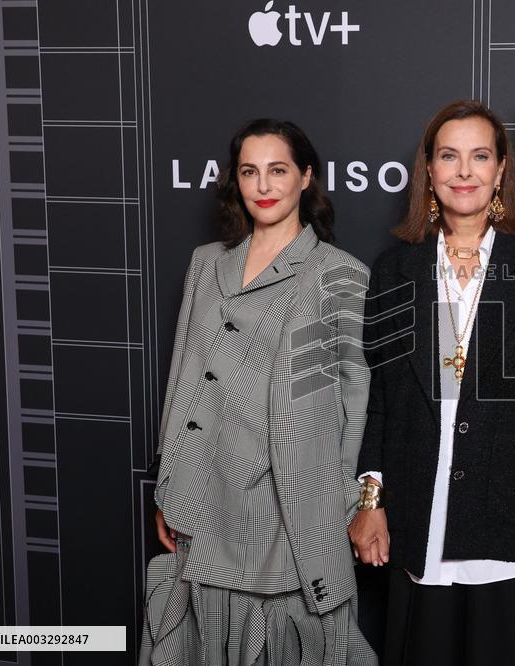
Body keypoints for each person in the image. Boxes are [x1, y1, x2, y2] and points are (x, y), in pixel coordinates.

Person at [348, 100, 515, 666]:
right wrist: (371, 499)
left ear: (501, 169)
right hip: (417, 519)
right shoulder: (393, 270)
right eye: (449, 156)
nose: (464, 171)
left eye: (480, 156)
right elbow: (379, 398)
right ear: (428, 171)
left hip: (507, 527)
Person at [141, 118, 376, 665]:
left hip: (281, 514)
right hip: (201, 497)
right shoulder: (206, 263)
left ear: (306, 178)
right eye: (250, 172)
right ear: (236, 181)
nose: (264, 186)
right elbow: (182, 375)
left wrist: (343, 501)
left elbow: (357, 400)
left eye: (278, 170)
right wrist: (167, 480)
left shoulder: (338, 274)